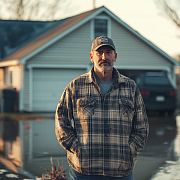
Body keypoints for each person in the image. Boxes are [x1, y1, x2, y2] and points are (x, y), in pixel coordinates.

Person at [55, 36, 149, 180]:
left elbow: (142, 128)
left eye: (109, 52)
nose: (104, 57)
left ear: (115, 57)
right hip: (84, 171)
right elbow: (61, 122)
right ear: (92, 56)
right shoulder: (75, 86)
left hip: (121, 170)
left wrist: (128, 150)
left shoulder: (130, 87)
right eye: (99, 53)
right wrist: (77, 148)